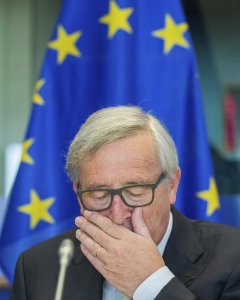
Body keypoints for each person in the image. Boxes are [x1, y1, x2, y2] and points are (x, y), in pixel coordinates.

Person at [11, 106, 240, 300]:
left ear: (172, 185)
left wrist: (151, 283)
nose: (118, 215)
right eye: (99, 194)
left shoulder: (233, 259)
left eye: (135, 191)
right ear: (78, 193)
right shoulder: (38, 267)